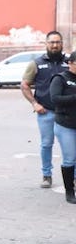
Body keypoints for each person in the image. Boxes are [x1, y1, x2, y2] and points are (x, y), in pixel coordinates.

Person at [21, 31, 68, 188]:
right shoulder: (36, 63)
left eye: (57, 42)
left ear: (62, 44)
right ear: (46, 44)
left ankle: (72, 176)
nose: (55, 45)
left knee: (70, 145)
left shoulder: (69, 62)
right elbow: (25, 85)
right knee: (47, 144)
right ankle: (47, 175)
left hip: (67, 113)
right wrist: (34, 104)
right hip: (46, 112)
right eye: (51, 42)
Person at [49, 51, 76, 204]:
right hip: (66, 124)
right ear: (70, 63)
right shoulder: (60, 79)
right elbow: (55, 99)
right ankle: (69, 191)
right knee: (70, 158)